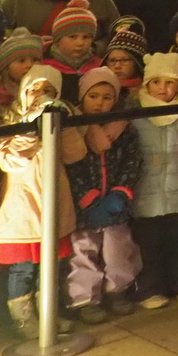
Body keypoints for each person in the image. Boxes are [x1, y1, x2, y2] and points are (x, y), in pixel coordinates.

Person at [0, 66, 76, 340]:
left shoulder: (60, 118)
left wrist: (64, 124)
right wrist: (29, 129)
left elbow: (76, 153)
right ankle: (24, 320)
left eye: (48, 91)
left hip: (53, 205)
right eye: (34, 90)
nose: (40, 95)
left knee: (49, 265)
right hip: (23, 209)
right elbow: (8, 161)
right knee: (23, 269)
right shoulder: (10, 121)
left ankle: (49, 314)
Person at [63, 66, 141, 323]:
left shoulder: (124, 130)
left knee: (118, 249)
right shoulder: (75, 128)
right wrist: (88, 197)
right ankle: (85, 298)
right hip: (85, 206)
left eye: (107, 97)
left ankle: (117, 290)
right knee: (84, 251)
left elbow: (133, 161)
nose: (99, 103)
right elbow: (72, 165)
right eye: (93, 96)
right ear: (82, 97)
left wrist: (120, 192)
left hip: (116, 204)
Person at [131, 52, 178, 308]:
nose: (163, 88)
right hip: (145, 195)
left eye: (170, 82)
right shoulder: (136, 116)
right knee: (149, 245)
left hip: (177, 191)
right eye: (156, 82)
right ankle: (150, 289)